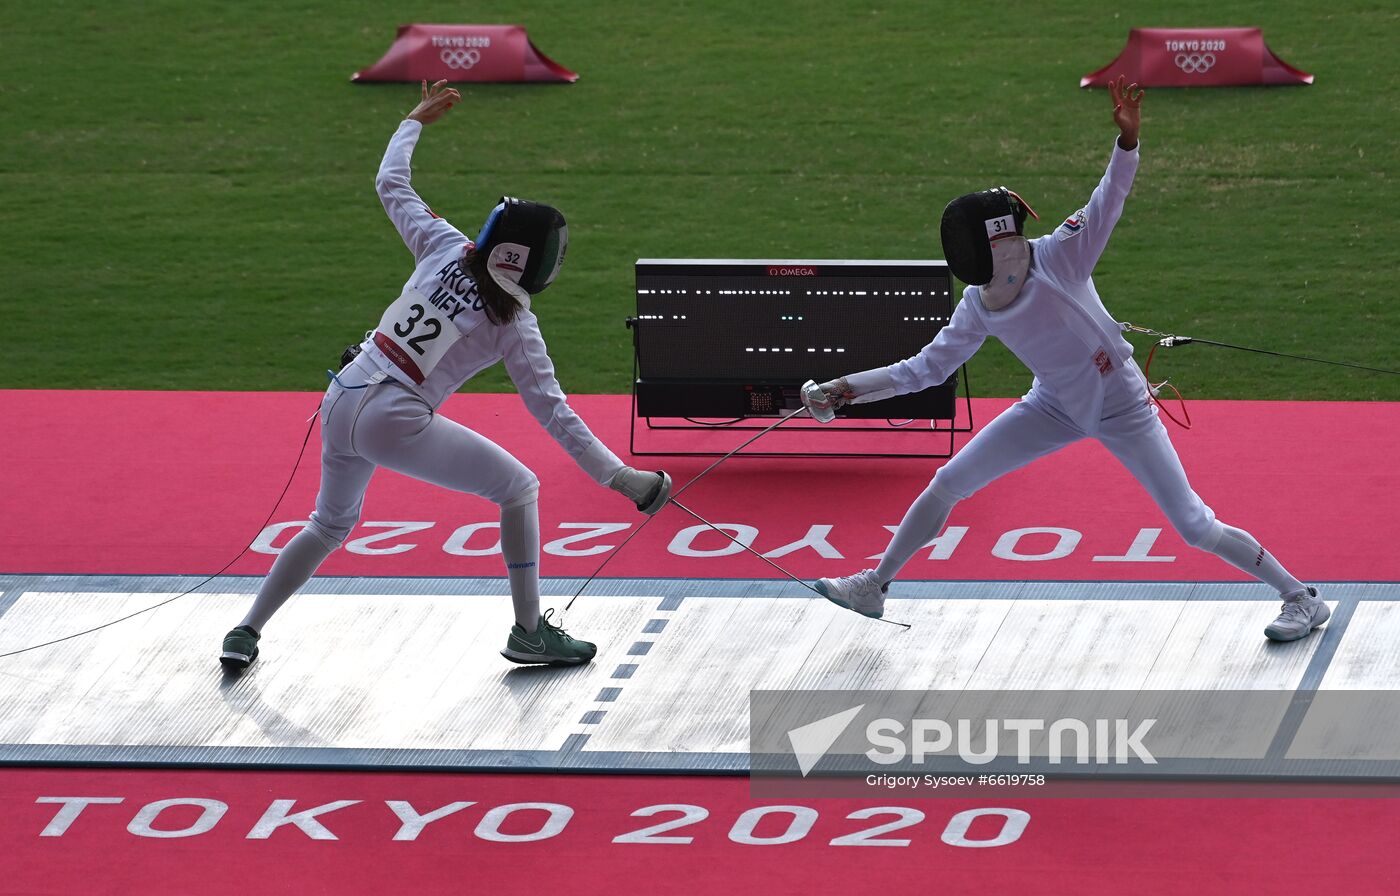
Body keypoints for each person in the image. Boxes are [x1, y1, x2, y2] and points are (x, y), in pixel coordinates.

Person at [802, 76, 1328, 642]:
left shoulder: (1062, 254)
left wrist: (1127, 141)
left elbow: (1110, 197)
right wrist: (844, 388)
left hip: (1121, 404)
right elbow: (925, 370)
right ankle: (875, 587)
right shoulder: (978, 305)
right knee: (950, 481)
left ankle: (1301, 599)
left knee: (1194, 525)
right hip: (1052, 405)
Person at [220, 81, 669, 671]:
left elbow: (391, 184)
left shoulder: (442, 244)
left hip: (341, 394)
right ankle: (530, 631)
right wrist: (623, 481)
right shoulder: (514, 324)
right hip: (393, 416)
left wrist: (414, 120)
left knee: (328, 525)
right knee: (520, 489)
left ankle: (246, 630)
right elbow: (554, 413)